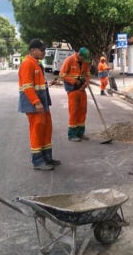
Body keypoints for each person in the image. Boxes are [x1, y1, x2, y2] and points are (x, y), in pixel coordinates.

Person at [18, 38, 61, 170]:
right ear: (32, 50)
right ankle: (38, 161)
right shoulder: (27, 64)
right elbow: (27, 86)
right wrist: (36, 102)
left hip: (43, 104)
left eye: (44, 50)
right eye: (41, 50)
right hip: (35, 105)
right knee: (37, 131)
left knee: (46, 129)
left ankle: (47, 157)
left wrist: (50, 84)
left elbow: (38, 84)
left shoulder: (37, 64)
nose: (44, 52)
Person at [59, 47, 92, 141]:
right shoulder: (69, 60)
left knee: (82, 110)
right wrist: (74, 81)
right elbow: (62, 74)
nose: (84, 60)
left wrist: (86, 83)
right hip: (72, 90)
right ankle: (72, 134)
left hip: (82, 89)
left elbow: (87, 74)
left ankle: (80, 133)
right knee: (74, 111)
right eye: (83, 58)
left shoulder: (85, 61)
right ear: (79, 55)